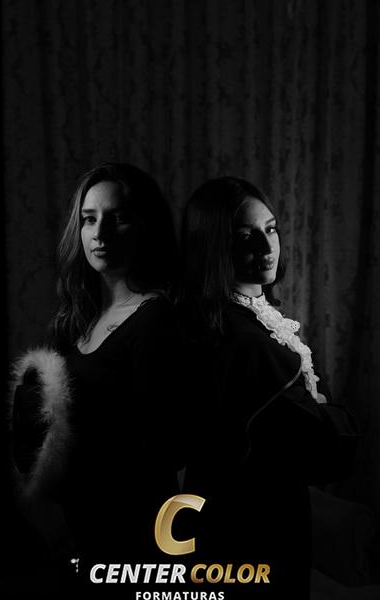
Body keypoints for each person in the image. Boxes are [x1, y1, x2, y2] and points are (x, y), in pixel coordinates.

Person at [178, 176, 357, 599]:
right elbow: (320, 449)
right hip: (254, 524)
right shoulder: (244, 341)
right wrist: (338, 416)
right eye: (246, 236)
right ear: (213, 246)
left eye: (271, 229)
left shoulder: (236, 320)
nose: (266, 246)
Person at [9, 162, 184, 592]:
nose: (100, 233)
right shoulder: (79, 319)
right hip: (80, 529)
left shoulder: (156, 319)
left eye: (117, 217)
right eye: (89, 219)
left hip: (133, 532)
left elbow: (158, 449)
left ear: (145, 227)